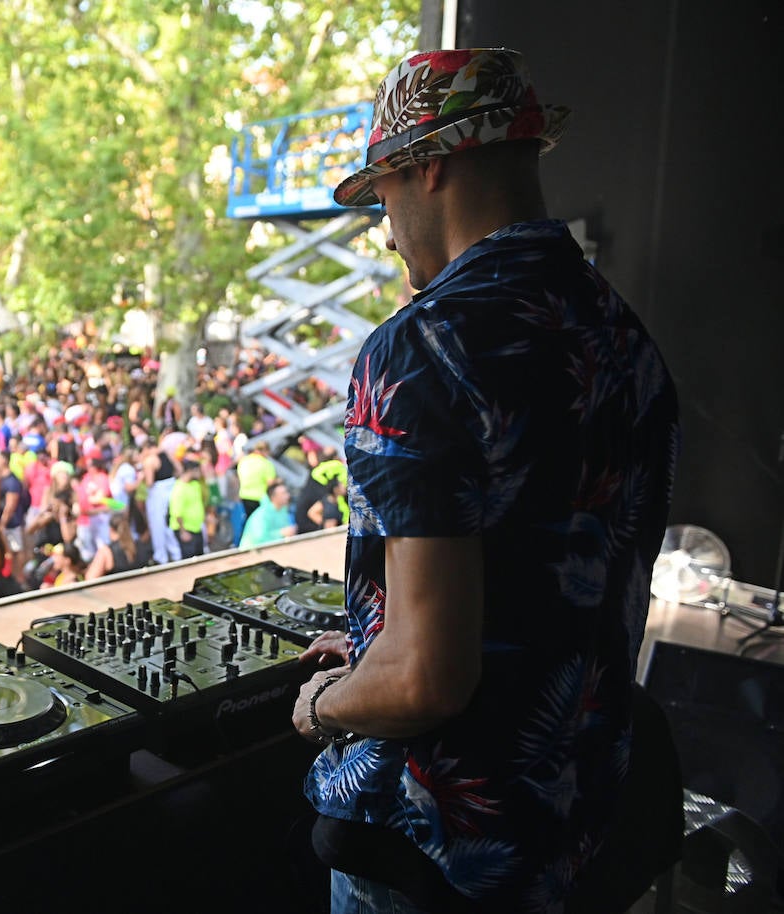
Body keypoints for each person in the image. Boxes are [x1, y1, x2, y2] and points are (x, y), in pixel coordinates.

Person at [289, 49, 679, 913]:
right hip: (575, 827)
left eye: (383, 196)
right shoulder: (623, 337)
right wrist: (377, 645)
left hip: (440, 857)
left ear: (428, 166)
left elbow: (430, 682)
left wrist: (326, 705)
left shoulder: (419, 350)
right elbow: (537, 581)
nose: (386, 231)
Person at [237, 480, 295, 548]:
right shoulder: (262, 514)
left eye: (287, 492)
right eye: (283, 493)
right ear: (274, 497)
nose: (288, 496)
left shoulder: (283, 510)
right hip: (252, 552)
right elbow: (259, 537)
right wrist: (281, 533)